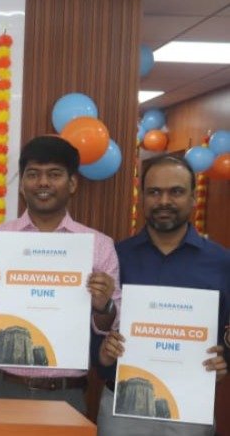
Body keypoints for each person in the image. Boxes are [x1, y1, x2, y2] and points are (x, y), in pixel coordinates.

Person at [0, 135, 120, 413]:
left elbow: (108, 327)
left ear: (72, 183)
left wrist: (103, 305)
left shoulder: (98, 246)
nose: (43, 183)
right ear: (21, 184)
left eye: (54, 174)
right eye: (33, 174)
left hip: (64, 393)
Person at [96, 155, 228, 436]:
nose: (164, 201)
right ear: (142, 197)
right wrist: (104, 353)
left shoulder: (222, 262)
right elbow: (94, 321)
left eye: (176, 192)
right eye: (154, 192)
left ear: (193, 198)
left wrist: (224, 361)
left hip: (191, 407)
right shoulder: (116, 256)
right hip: (122, 408)